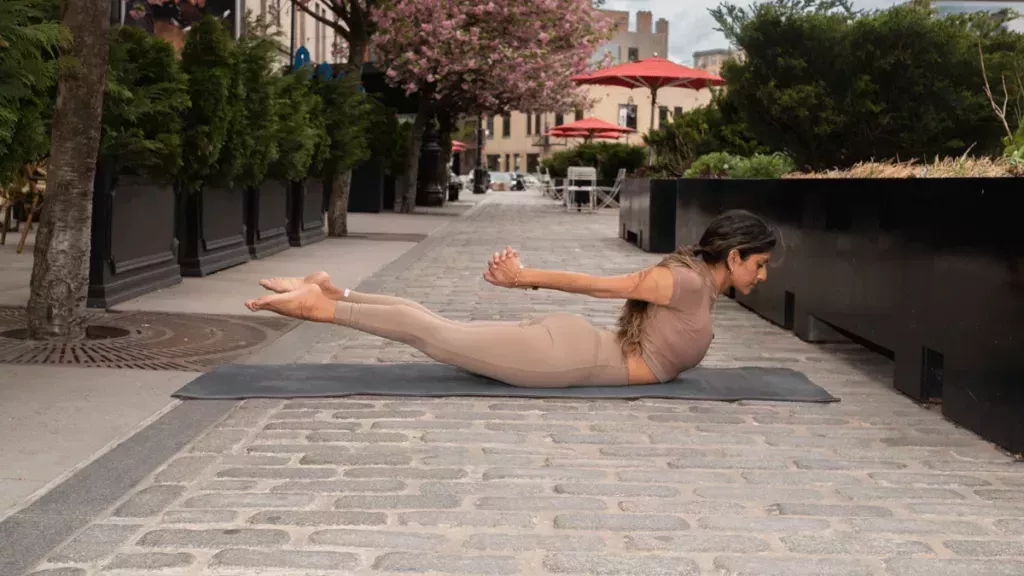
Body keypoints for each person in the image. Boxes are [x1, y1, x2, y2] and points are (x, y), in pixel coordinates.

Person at [245, 209, 778, 388]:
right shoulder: (684, 282)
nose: (763, 274)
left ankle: (336, 291)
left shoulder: (700, 285)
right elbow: (600, 284)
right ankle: (322, 306)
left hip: (575, 345)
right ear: (733, 257)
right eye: (760, 263)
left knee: (436, 323)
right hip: (569, 358)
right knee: (434, 334)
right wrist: (524, 278)